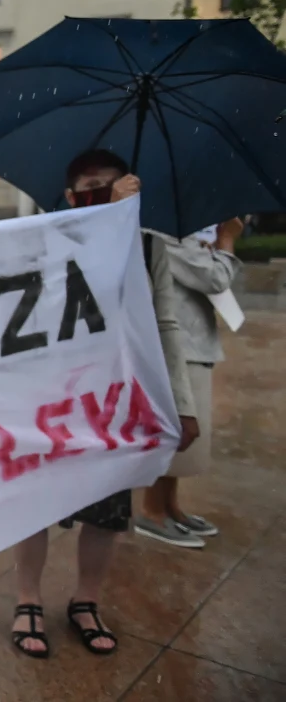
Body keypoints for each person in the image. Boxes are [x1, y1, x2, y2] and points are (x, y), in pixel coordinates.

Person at [10, 148, 198, 659]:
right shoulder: (43, 240)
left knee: (108, 507)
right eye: (91, 188)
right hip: (48, 397)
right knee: (34, 504)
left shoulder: (150, 246)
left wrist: (182, 402)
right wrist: (102, 225)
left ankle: (85, 600)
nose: (99, 194)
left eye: (111, 186)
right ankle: (28, 599)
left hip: (114, 398)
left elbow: (164, 322)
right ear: (70, 197)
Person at [134, 219, 243, 548]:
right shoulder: (162, 234)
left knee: (187, 436)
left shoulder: (179, 236)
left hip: (194, 343)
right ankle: (152, 512)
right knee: (176, 431)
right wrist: (227, 240)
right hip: (180, 347)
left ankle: (171, 508)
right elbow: (215, 278)